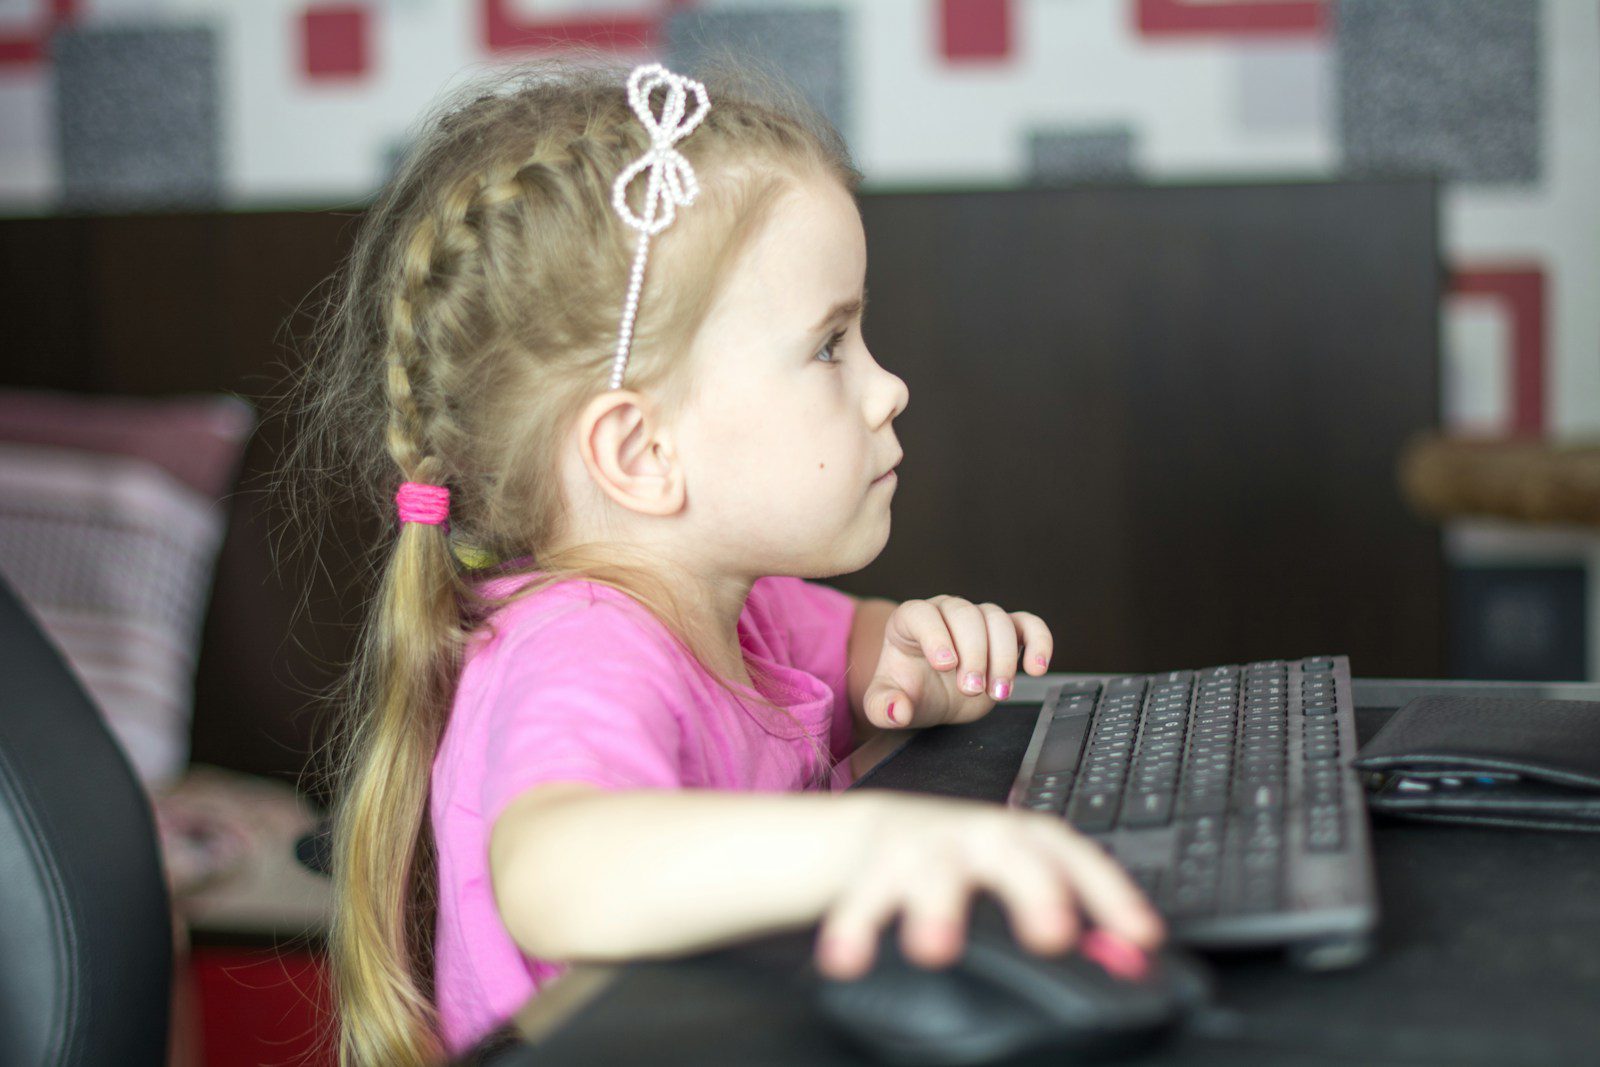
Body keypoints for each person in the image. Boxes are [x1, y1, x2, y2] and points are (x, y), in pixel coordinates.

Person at [281, 47, 1165, 1067]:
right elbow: (559, 867)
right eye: (830, 346)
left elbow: (860, 657)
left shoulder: (739, 606)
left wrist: (922, 651)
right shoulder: (583, 649)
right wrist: (879, 841)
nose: (889, 389)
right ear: (639, 451)